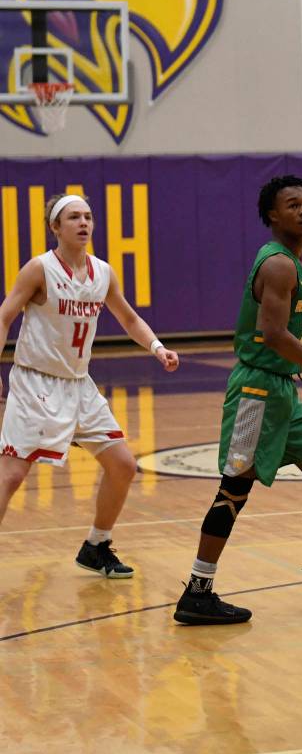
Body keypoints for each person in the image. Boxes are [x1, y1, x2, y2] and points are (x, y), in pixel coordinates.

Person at [173, 176, 302, 625]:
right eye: (292, 205)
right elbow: (273, 335)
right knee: (234, 489)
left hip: (282, 391)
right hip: (256, 391)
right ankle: (197, 590)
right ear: (272, 216)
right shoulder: (279, 265)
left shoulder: (292, 262)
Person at [0, 194, 179, 576]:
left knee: (124, 465)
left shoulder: (103, 272)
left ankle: (96, 546)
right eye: (73, 217)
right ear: (55, 227)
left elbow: (129, 318)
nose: (84, 223)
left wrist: (157, 347)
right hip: (36, 382)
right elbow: (4, 317)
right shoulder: (39, 270)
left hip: (79, 386)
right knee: (12, 476)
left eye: (88, 217)